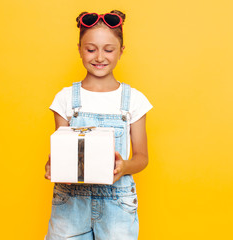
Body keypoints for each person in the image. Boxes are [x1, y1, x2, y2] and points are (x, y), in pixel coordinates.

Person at [44, 10, 153, 239]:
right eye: (91, 49)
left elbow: (142, 157)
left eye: (109, 50)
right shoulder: (65, 99)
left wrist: (124, 167)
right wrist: (53, 166)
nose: (99, 57)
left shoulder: (133, 100)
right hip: (70, 204)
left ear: (121, 51)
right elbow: (60, 151)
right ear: (79, 50)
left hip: (117, 206)